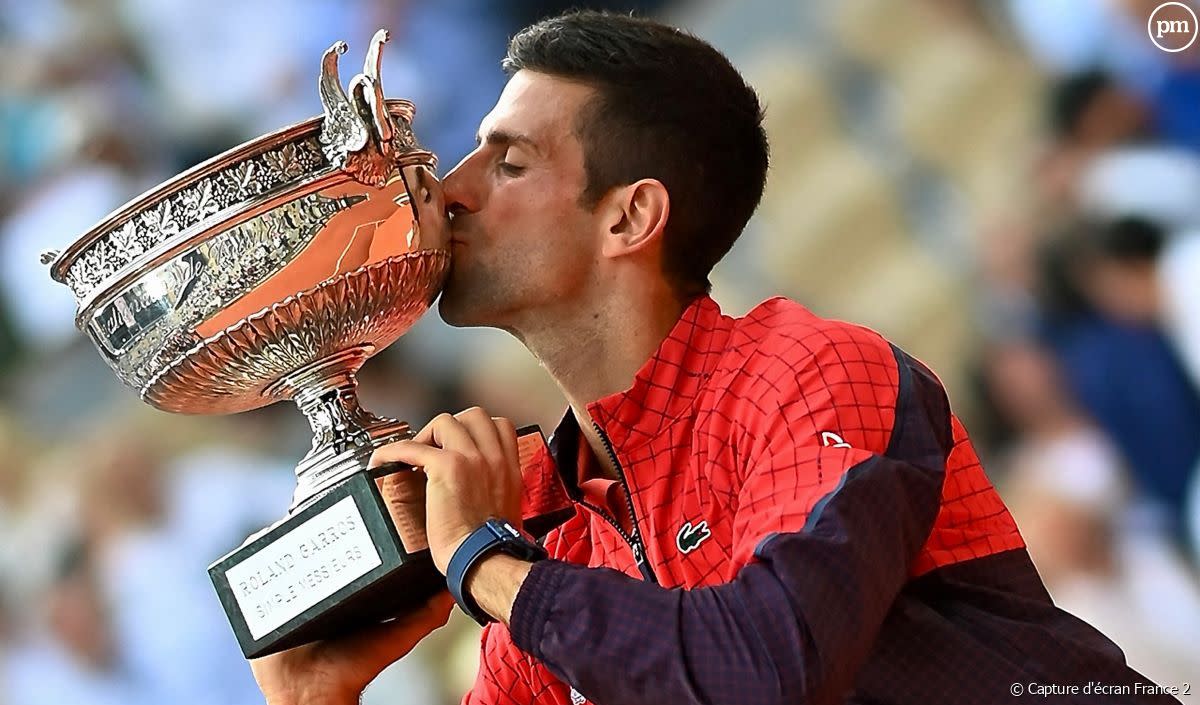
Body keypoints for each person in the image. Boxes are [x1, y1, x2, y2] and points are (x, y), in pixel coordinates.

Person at [250, 11, 1180, 705]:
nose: (450, 190)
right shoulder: (559, 536)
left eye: (510, 160)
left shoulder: (810, 370)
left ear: (630, 217)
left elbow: (769, 670)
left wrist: (482, 560)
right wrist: (312, 699)